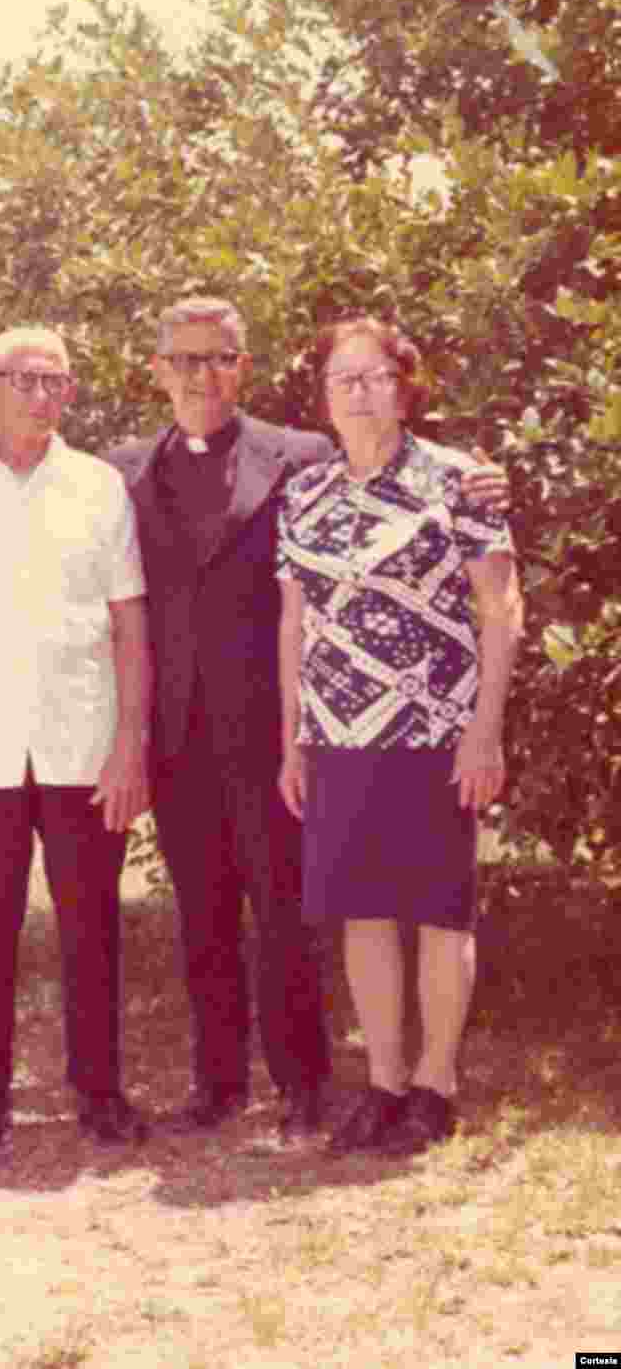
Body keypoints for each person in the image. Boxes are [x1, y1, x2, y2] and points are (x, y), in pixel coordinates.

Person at [0, 326, 152, 1152]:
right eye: (23, 379)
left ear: (72, 393)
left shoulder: (100, 488)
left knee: (92, 930)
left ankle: (101, 1095)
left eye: (57, 381)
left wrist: (129, 747)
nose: (40, 395)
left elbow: (129, 624)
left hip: (82, 745)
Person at [276, 317, 523, 1156]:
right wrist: (292, 739)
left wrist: (484, 732)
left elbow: (502, 608)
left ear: (404, 385)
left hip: (437, 732)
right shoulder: (305, 494)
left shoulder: (458, 481)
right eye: (343, 378)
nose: (359, 392)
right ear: (324, 396)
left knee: (439, 912)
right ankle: (382, 1082)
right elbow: (293, 622)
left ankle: (435, 1085)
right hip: (339, 733)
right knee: (365, 916)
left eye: (375, 375)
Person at [105, 298, 335, 1136]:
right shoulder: (121, 471)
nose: (203, 375)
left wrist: (473, 476)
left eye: (221, 358)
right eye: (186, 360)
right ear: (159, 370)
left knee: (284, 909)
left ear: (246, 366)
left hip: (270, 729)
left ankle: (304, 1082)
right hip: (176, 731)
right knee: (200, 912)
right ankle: (218, 1081)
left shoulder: (303, 457)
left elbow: (389, 474)